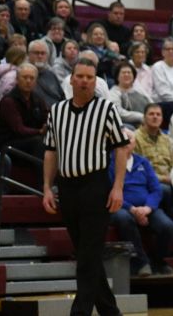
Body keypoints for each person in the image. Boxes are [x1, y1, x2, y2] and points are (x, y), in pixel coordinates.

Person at [42, 57, 131, 315]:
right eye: (79, 76)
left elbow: (121, 149)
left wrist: (117, 187)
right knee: (86, 255)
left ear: (96, 81)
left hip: (95, 187)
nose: (84, 81)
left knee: (88, 255)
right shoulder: (57, 111)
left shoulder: (106, 109)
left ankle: (78, 312)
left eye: (89, 77)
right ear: (71, 79)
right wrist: (47, 187)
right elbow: (50, 151)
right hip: (67, 189)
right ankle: (110, 312)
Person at [108, 128, 173, 276]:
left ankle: (157, 262)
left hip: (146, 207)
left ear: (135, 143)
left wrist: (147, 208)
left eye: (130, 138)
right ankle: (141, 262)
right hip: (121, 207)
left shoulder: (142, 162)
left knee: (168, 226)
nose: (126, 142)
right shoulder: (108, 162)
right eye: (123, 138)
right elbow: (109, 191)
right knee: (123, 218)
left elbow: (156, 189)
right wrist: (132, 209)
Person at [0, 64, 48, 160]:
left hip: (30, 140)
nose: (28, 81)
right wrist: (40, 131)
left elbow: (46, 117)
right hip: (10, 145)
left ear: (36, 82)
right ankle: (40, 174)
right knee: (39, 142)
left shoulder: (38, 99)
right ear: (17, 79)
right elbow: (19, 130)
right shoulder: (9, 101)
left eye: (32, 78)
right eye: (25, 77)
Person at [108, 62, 152, 128]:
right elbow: (119, 112)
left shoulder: (139, 89)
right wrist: (141, 117)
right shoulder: (113, 93)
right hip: (130, 127)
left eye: (129, 72)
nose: (126, 74)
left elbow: (152, 103)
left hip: (148, 122)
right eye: (123, 72)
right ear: (117, 76)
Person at [28, 39, 65, 107]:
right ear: (29, 54)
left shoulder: (51, 75)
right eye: (36, 53)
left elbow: (62, 97)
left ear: (47, 56)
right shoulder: (23, 75)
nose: (40, 56)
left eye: (43, 53)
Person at [151, 37, 173, 104]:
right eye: (168, 49)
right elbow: (163, 92)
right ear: (162, 52)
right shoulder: (157, 66)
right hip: (163, 104)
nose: (171, 51)